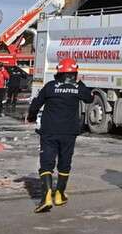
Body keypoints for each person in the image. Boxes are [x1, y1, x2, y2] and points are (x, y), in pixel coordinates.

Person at [27, 58, 92, 213]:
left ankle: (46, 196)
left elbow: (36, 103)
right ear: (75, 73)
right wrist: (80, 84)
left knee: (46, 163)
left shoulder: (50, 87)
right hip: (69, 132)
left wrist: (31, 116)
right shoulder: (78, 88)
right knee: (64, 162)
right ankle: (60, 194)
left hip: (49, 131)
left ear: (59, 72)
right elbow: (89, 98)